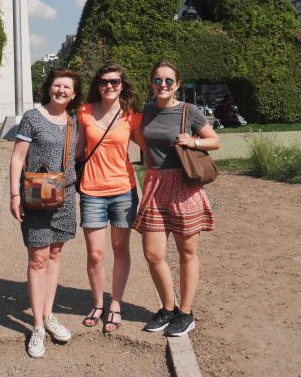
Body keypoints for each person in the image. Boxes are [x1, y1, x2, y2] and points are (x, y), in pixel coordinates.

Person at [133, 61, 219, 337]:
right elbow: (138, 139)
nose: (162, 85)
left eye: (169, 81)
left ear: (177, 85)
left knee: (187, 253)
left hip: (183, 186)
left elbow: (214, 141)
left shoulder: (188, 111)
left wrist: (193, 142)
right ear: (152, 83)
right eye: (157, 80)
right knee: (153, 253)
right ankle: (168, 308)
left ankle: (185, 312)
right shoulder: (144, 112)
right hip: (155, 183)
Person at [10, 67, 82, 359]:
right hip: (36, 195)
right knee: (38, 259)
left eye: (67, 87)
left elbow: (75, 157)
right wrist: (14, 194)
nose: (61, 90)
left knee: (55, 255)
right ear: (48, 88)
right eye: (57, 85)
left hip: (64, 197)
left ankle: (49, 314)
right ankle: (37, 326)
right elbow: (17, 157)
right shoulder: (32, 117)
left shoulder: (72, 123)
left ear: (74, 94)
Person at [76, 63, 141, 334]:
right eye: (104, 82)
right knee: (95, 253)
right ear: (97, 85)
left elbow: (151, 149)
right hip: (91, 191)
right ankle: (98, 302)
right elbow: (78, 151)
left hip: (123, 190)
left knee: (120, 249)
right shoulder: (84, 112)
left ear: (122, 84)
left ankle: (115, 303)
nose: (109, 86)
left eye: (114, 82)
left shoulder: (131, 116)